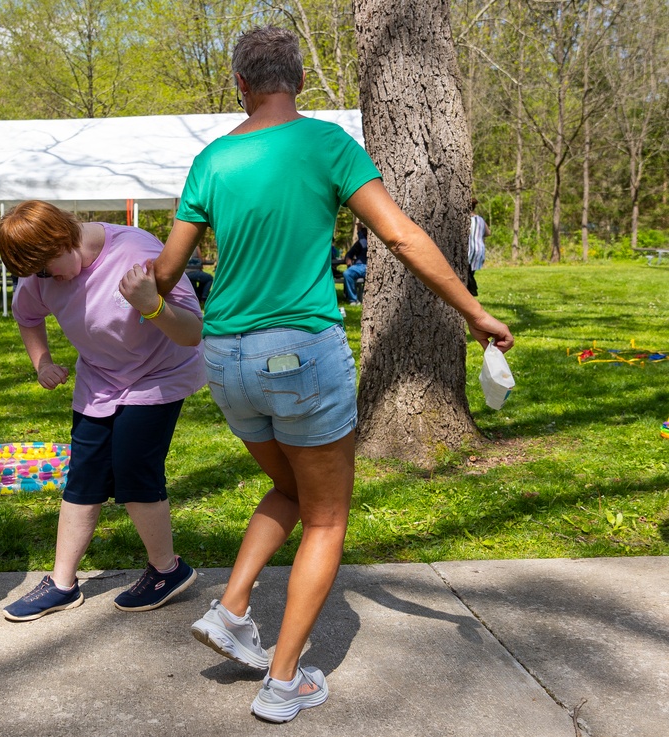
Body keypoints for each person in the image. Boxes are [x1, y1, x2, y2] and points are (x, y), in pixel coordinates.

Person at [153, 27, 513, 723]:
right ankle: (284, 680)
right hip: (299, 357)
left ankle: (232, 609)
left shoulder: (212, 160)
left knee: (288, 488)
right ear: (297, 82)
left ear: (241, 86)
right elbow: (404, 237)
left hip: (225, 360)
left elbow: (167, 274)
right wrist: (473, 312)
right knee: (326, 515)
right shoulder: (327, 146)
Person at [0, 200, 205, 621]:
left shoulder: (136, 251)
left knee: (132, 469)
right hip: (100, 379)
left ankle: (168, 570)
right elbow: (27, 316)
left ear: (65, 237)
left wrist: (152, 305)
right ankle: (61, 584)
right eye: (37, 274)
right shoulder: (41, 272)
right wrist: (42, 361)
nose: (48, 279)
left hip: (158, 375)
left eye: (49, 267)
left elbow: (193, 332)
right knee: (85, 474)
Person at [468, 197, 489, 296]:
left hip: (470, 250)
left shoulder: (467, 220)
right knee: (470, 273)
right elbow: (488, 232)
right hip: (479, 249)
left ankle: (472, 290)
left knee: (467, 274)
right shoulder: (480, 219)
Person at [342, 223, 368, 306]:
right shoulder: (358, 243)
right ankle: (353, 300)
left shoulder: (365, 242)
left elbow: (364, 243)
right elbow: (350, 253)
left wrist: (359, 231)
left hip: (367, 266)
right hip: (358, 267)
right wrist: (348, 258)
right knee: (347, 273)